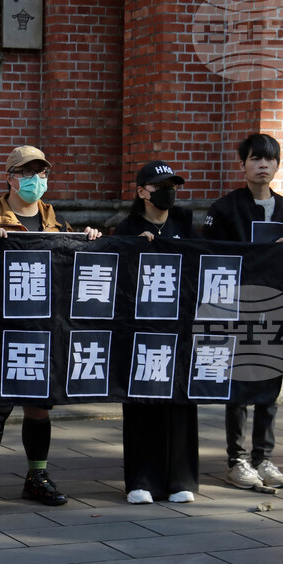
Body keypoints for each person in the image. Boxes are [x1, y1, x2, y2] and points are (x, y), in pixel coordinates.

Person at [0, 145, 102, 510]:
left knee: (39, 406)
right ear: (9, 176)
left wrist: (89, 242)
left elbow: (75, 272)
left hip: (42, 329)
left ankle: (36, 475)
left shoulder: (58, 225)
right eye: (27, 173)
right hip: (1, 328)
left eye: (41, 173)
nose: (35, 181)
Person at [203, 133, 283, 491]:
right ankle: (238, 459)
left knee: (268, 385)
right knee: (240, 385)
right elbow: (213, 256)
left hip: (276, 308)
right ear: (242, 164)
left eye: (270, 160)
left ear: (278, 165)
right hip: (239, 308)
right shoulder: (226, 208)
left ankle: (264, 457)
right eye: (256, 159)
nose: (263, 165)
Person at [115, 161, 199, 503]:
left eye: (173, 186)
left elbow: (210, 259)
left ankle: (181, 480)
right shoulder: (128, 228)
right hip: (142, 332)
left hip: (179, 330)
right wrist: (135, 248)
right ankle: (142, 480)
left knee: (180, 400)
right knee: (142, 402)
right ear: (141, 192)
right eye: (161, 186)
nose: (169, 192)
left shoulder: (185, 223)